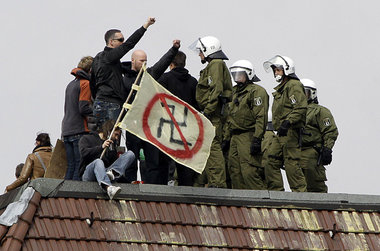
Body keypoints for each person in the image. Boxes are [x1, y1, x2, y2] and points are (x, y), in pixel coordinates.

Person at [122, 40, 181, 184]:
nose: (144, 63)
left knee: (152, 160)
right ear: (133, 60)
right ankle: (131, 185)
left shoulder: (149, 75)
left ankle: (151, 188)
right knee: (131, 158)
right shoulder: (123, 79)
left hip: (149, 125)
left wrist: (173, 49)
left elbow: (162, 64)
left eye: (146, 61)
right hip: (132, 124)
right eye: (141, 61)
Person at [91, 17, 156, 128]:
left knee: (101, 137)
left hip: (99, 102)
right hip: (111, 104)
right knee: (113, 137)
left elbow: (92, 82)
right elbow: (129, 45)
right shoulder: (110, 56)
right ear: (111, 42)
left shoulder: (98, 58)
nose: (123, 42)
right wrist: (145, 26)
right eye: (120, 40)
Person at [190, 36, 232, 188]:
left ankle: (218, 183)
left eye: (201, 51)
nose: (200, 54)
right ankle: (212, 182)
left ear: (209, 50)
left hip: (213, 115)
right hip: (211, 113)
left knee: (213, 147)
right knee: (209, 146)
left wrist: (207, 111)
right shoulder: (213, 65)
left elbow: (216, 89)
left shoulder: (216, 64)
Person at [263, 55, 308, 192]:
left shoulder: (293, 85)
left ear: (287, 69)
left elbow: (300, 107)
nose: (276, 73)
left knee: (291, 164)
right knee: (270, 159)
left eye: (278, 70)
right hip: (281, 133)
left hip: (291, 132)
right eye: (275, 70)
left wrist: (288, 122)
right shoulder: (282, 88)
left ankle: (301, 195)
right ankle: (277, 192)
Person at [224, 60, 269, 190]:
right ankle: (240, 206)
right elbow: (229, 117)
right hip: (234, 137)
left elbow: (261, 116)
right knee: (234, 171)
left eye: (240, 74)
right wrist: (227, 139)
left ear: (248, 74)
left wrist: (257, 138)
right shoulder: (234, 92)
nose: (237, 77)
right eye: (235, 74)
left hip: (248, 135)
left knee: (249, 171)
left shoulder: (256, 91)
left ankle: (259, 203)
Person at [157, 51, 199, 186]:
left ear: (171, 64)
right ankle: (187, 187)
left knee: (168, 157)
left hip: (168, 125)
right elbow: (197, 104)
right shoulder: (193, 82)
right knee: (185, 159)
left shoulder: (164, 79)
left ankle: (169, 183)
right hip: (187, 126)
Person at [79, 120, 135, 199]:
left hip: (105, 173)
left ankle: (108, 178)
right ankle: (108, 188)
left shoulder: (111, 146)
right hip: (89, 174)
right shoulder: (87, 138)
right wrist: (101, 147)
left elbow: (116, 167)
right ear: (109, 131)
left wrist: (128, 183)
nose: (116, 138)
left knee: (130, 154)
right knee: (98, 162)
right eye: (115, 135)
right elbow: (84, 153)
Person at [300, 78, 339, 193]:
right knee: (298, 186)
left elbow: (330, 131)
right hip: (295, 150)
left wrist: (327, 148)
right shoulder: (294, 112)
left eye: (305, 93)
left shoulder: (320, 111)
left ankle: (320, 204)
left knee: (314, 184)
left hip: (311, 151)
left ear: (312, 93)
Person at [61, 56, 94, 180]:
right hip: (78, 129)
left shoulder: (70, 85)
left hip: (67, 129)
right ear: (90, 70)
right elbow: (83, 107)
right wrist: (96, 112)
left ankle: (65, 195)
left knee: (70, 165)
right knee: (79, 165)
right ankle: (75, 194)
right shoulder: (85, 84)